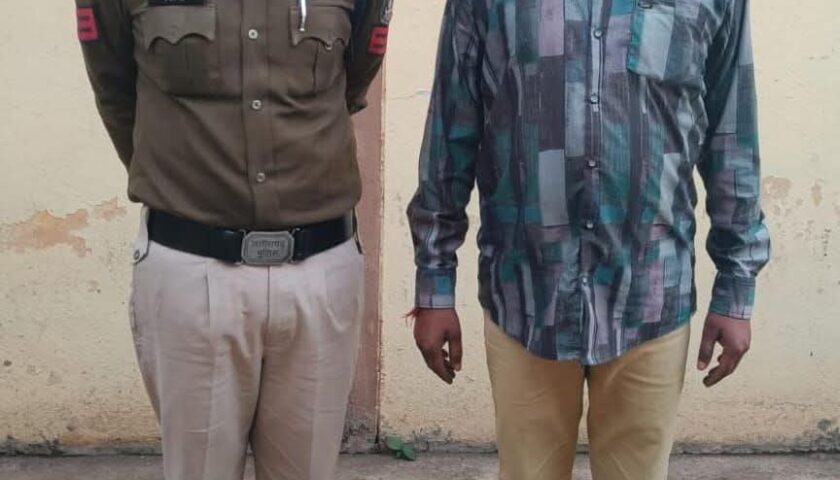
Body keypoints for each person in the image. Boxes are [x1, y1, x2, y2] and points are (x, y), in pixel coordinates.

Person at [407, 0, 768, 478]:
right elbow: (451, 131)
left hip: (650, 297)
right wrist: (434, 286)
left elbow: (732, 137)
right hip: (526, 296)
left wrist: (736, 291)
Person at [76, 0, 390, 478]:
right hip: (191, 270)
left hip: (319, 271)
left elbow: (353, 79)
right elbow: (115, 88)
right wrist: (183, 181)